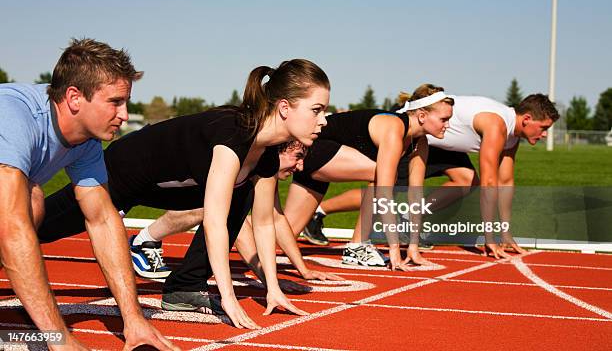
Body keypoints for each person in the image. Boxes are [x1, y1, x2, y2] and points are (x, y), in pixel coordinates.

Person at [41, 59, 331, 329]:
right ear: (284, 108)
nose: (324, 120)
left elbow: (265, 223)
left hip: (169, 189)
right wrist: (227, 297)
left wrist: (273, 287)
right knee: (41, 225)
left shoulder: (266, 156)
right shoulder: (234, 134)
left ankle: (186, 286)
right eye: (316, 110)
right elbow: (214, 222)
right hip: (124, 172)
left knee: (242, 198)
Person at [0, 38, 178, 350]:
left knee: (32, 200)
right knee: (20, 209)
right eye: (115, 102)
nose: (124, 115)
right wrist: (60, 340)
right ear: (74, 98)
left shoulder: (87, 143)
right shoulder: (13, 119)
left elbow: (102, 220)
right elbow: (12, 232)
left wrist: (133, 318)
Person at [306, 93, 559, 258]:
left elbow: (505, 182)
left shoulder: (512, 136)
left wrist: (505, 231)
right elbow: (491, 181)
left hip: (440, 143)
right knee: (387, 184)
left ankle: (406, 219)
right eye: (544, 128)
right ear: (527, 119)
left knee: (467, 179)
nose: (545, 134)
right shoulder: (497, 125)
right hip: (418, 131)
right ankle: (320, 212)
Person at [283, 84, 454, 269]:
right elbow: (384, 192)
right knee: (382, 174)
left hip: (322, 157)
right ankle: (357, 246)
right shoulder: (394, 128)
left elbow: (415, 195)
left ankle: (246, 230)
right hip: (313, 148)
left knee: (284, 232)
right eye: (444, 119)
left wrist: (413, 247)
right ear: (422, 116)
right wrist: (394, 248)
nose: (448, 125)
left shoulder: (420, 144)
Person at [127, 141, 341, 286]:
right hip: (149, 167)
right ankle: (145, 241)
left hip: (178, 175)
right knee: (209, 209)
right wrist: (269, 280)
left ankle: (145, 240)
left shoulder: (266, 166)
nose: (301, 167)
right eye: (298, 156)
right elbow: (238, 228)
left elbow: (275, 217)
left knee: (207, 207)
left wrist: (303, 269)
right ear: (280, 150)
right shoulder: (250, 160)